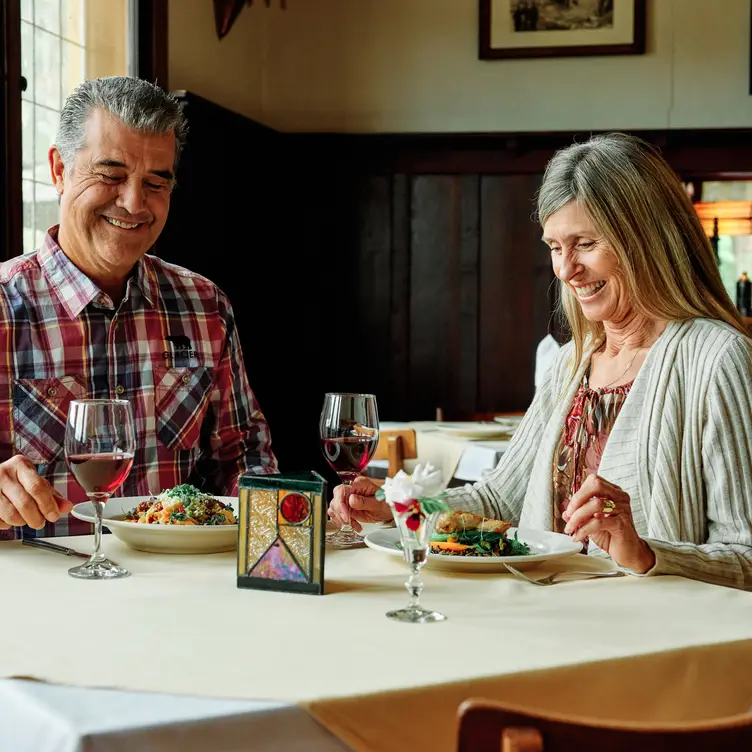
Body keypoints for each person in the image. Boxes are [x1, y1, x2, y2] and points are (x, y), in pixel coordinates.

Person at [330, 132, 752, 591]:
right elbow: (496, 499)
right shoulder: (572, 363)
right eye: (554, 246)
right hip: (550, 617)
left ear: (646, 240)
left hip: (651, 640)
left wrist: (647, 553)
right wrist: (400, 508)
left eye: (585, 243)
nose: (565, 269)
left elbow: (745, 557)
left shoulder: (718, 358)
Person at [0, 76, 277, 539]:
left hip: (179, 594)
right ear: (58, 169)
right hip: (35, 603)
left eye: (155, 182)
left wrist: (292, 519)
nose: (133, 203)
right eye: (111, 174)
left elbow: (242, 453)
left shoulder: (204, 306)